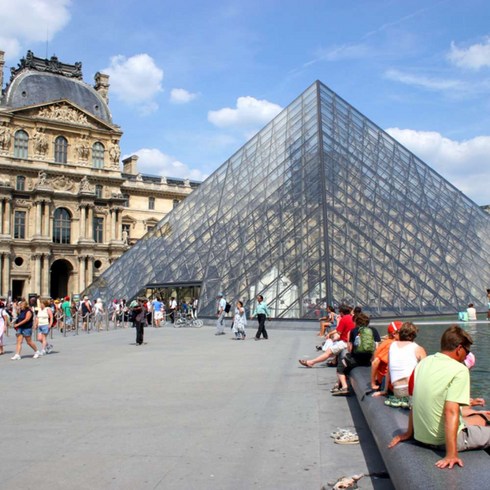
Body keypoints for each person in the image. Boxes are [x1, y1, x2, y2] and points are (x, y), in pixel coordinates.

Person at [388, 325, 490, 468]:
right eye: (467, 352)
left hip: (420, 436)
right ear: (459, 348)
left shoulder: (423, 363)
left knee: (482, 419)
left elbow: (415, 402)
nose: (466, 356)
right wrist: (451, 454)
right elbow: (451, 411)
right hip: (442, 442)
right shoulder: (459, 370)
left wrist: (409, 433)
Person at [374, 322, 426, 407]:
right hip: (411, 391)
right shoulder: (418, 348)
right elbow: (427, 371)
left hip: (397, 391)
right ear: (414, 335)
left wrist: (385, 390)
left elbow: (388, 371)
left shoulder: (392, 346)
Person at [332, 313, 381, 396]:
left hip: (356, 360)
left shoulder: (353, 331)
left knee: (340, 366)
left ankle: (344, 387)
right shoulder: (374, 330)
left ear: (356, 322)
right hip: (368, 361)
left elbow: (350, 348)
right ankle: (338, 384)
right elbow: (377, 347)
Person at [370, 321, 402, 391]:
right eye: (402, 332)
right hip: (387, 382)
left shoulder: (387, 342)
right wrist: (373, 383)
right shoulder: (391, 345)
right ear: (394, 334)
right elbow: (375, 363)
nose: (405, 334)